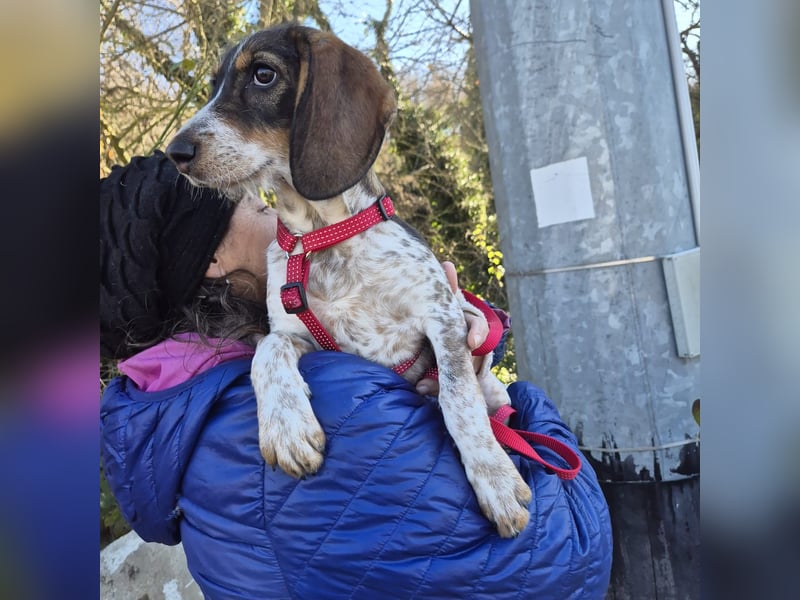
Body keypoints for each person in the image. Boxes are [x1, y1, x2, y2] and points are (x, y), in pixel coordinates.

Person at [100, 152, 612, 599]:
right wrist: (518, 406)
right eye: (261, 206)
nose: (279, 214)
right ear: (210, 259)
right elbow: (565, 558)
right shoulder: (323, 402)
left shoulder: (178, 410)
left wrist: (440, 340)